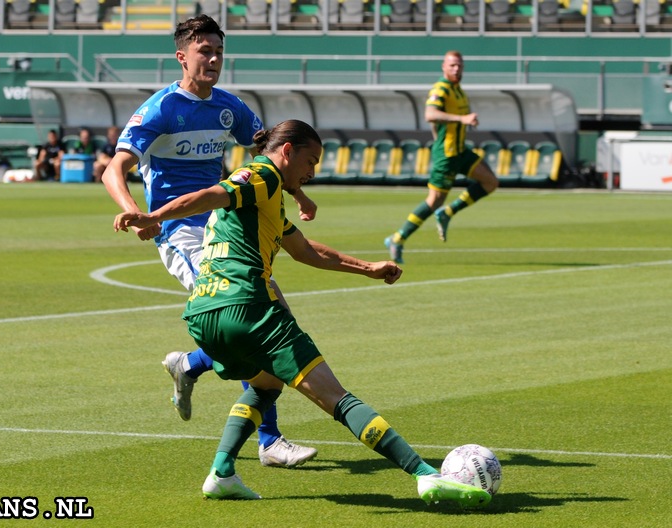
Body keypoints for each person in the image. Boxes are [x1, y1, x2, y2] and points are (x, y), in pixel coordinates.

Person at [112, 119, 492, 508]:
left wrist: (368, 268)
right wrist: (157, 216)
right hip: (248, 308)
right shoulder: (263, 175)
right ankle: (424, 475)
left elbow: (308, 251)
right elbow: (214, 193)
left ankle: (222, 473)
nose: (313, 172)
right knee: (336, 397)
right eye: (310, 161)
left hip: (204, 317)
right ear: (288, 151)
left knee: (266, 384)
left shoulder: (267, 200)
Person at [102, 14, 319, 468]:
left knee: (272, 313)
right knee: (249, 315)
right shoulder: (160, 109)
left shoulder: (229, 107)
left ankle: (190, 365)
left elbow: (271, 152)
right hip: (178, 231)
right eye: (205, 52)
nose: (215, 60)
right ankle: (269, 441)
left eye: (219, 52)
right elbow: (113, 169)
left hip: (225, 226)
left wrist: (298, 192)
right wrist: (134, 211)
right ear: (182, 56)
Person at [384, 50, 499, 263]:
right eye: (452, 65)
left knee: (490, 181)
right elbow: (430, 114)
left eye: (459, 65)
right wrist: (462, 119)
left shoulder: (458, 90)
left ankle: (448, 212)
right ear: (443, 67)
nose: (456, 69)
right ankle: (397, 238)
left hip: (460, 151)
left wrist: (465, 121)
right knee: (434, 201)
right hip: (446, 154)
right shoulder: (441, 89)